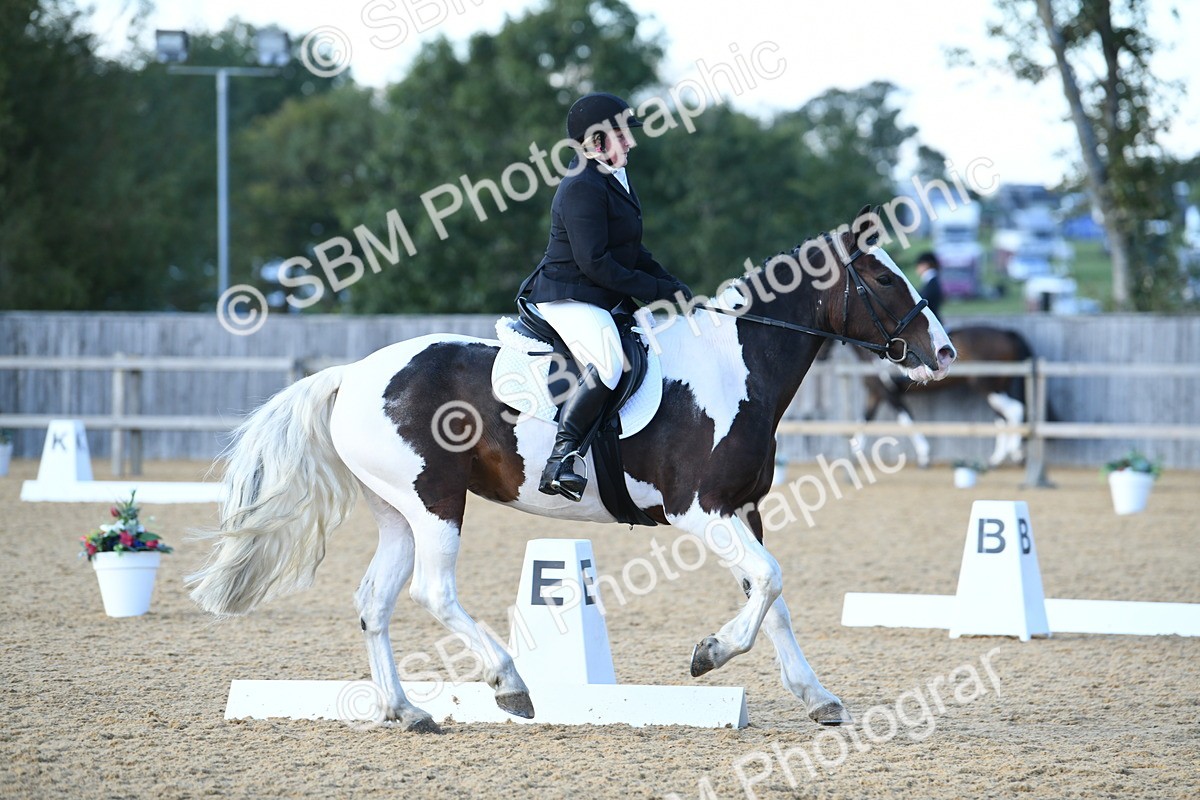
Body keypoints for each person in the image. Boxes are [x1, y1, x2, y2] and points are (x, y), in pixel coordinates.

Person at [517, 92, 692, 502]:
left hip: (595, 294)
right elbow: (596, 263)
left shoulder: (613, 179)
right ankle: (562, 457)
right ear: (596, 141)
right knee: (609, 362)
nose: (630, 143)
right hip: (568, 296)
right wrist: (656, 293)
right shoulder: (581, 186)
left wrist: (673, 286)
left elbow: (633, 252)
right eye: (621, 136)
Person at [914, 251, 944, 319]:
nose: (917, 269)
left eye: (918, 265)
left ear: (925, 265)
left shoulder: (932, 283)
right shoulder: (932, 281)